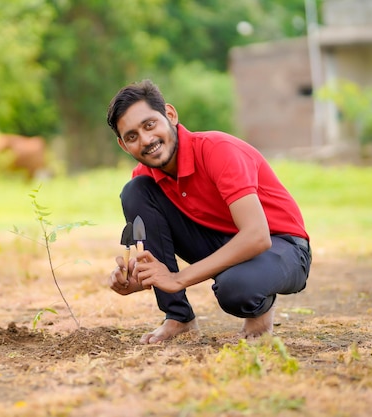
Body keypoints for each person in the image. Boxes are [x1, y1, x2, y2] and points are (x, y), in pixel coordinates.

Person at [106, 79, 312, 344]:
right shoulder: (145, 179)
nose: (146, 140)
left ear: (170, 115)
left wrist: (177, 279)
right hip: (219, 240)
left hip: (281, 246)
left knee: (237, 290)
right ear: (124, 146)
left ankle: (259, 307)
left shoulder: (218, 150)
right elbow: (156, 251)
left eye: (150, 125)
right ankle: (178, 317)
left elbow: (257, 236)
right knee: (135, 190)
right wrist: (140, 277)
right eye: (132, 137)